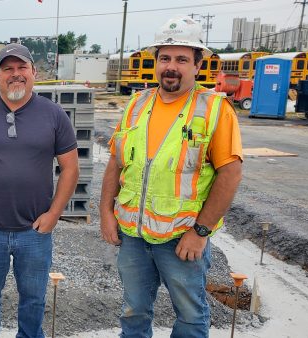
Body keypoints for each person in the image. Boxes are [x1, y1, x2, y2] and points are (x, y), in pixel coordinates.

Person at [99, 16, 243, 338]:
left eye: (181, 59)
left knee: (190, 317)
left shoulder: (214, 109)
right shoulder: (137, 104)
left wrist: (200, 232)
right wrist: (105, 213)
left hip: (182, 238)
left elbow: (230, 175)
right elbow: (115, 163)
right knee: (133, 312)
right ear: (156, 62)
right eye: (165, 58)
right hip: (133, 235)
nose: (171, 67)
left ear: (197, 65)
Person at [0, 43, 79, 338]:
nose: (16, 74)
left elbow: (71, 169)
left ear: (33, 73)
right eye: (8, 69)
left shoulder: (54, 115)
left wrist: (53, 214)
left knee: (33, 299)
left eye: (22, 67)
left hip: (35, 230)